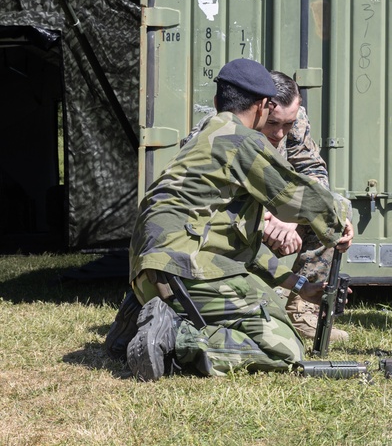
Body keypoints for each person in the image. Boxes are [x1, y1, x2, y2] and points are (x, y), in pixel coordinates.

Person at [125, 58, 353, 381]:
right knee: (287, 347)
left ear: (217, 101)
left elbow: (240, 247)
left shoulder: (206, 135)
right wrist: (340, 221)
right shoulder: (242, 140)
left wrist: (301, 286)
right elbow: (293, 196)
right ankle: (175, 336)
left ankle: (145, 318)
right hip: (182, 270)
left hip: (149, 273)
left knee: (263, 309)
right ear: (262, 106)